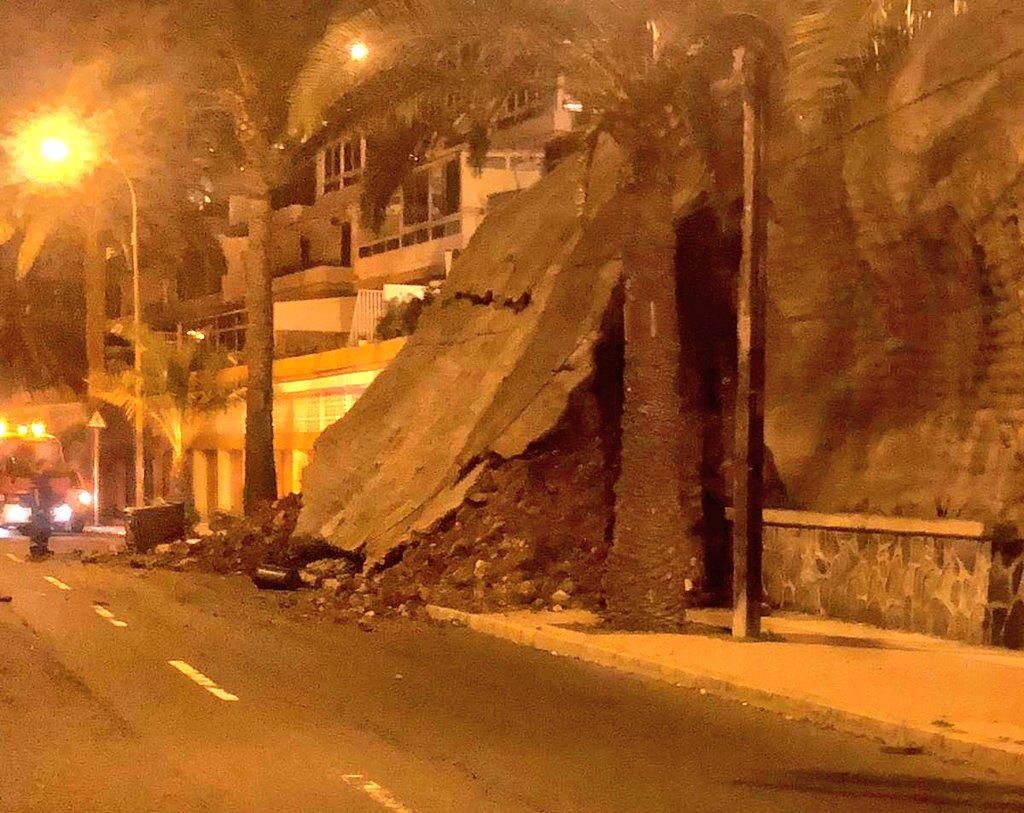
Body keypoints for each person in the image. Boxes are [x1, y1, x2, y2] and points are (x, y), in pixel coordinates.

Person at [26, 472, 54, 560]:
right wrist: (40, 509)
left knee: (45, 530)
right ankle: (36, 550)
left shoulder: (46, 489)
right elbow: (36, 501)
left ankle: (43, 549)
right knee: (38, 530)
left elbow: (49, 500)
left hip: (44, 512)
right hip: (39, 513)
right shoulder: (37, 489)